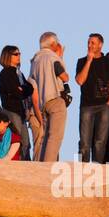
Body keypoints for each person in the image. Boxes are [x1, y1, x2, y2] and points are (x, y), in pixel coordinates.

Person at [75, 33, 109, 163]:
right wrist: (89, 61)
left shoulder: (108, 62)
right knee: (84, 142)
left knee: (100, 142)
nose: (89, 45)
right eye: (88, 42)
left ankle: (98, 168)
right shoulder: (82, 61)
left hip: (104, 106)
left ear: (100, 44)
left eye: (93, 43)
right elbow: (80, 81)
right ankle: (83, 169)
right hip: (87, 105)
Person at [29, 32, 69, 161]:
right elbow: (65, 77)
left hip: (42, 103)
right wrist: (60, 57)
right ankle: (49, 165)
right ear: (53, 44)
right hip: (55, 99)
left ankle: (42, 164)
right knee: (55, 136)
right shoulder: (52, 58)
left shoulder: (35, 60)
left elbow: (32, 83)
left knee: (45, 136)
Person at [0, 45, 34, 159]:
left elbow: (30, 88)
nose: (19, 56)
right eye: (15, 54)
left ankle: (25, 165)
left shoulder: (19, 73)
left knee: (26, 143)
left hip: (21, 112)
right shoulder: (6, 73)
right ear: (8, 56)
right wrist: (22, 89)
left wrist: (23, 89)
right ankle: (16, 164)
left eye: (19, 53)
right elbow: (16, 92)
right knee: (16, 140)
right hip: (12, 111)